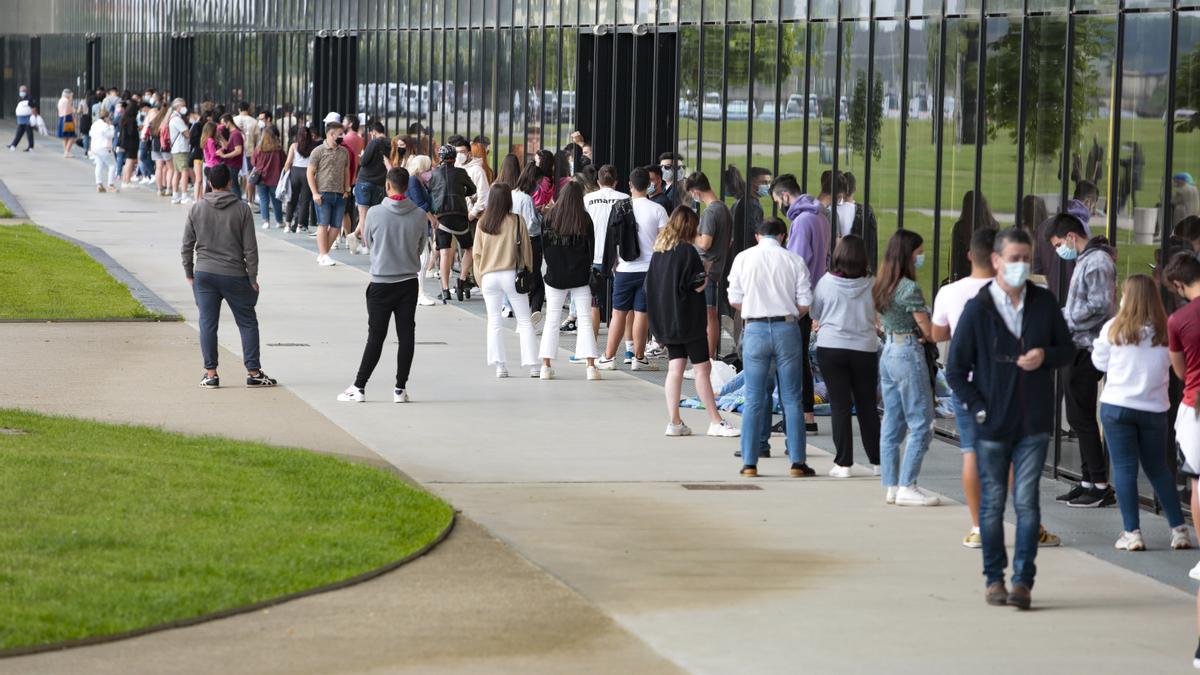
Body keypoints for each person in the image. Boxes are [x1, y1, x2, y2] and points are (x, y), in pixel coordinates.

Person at [946, 227, 1074, 610]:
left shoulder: (1043, 303)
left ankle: (1022, 581)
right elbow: (956, 370)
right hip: (993, 422)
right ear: (997, 260)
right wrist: (979, 408)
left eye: (1026, 258)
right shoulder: (979, 308)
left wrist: (1044, 356)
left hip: (1033, 420)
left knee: (1027, 502)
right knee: (992, 503)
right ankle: (993, 579)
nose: (1021, 265)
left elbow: (1066, 349)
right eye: (1013, 258)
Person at [1092, 275, 1192, 551]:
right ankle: (1179, 529)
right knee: (1159, 468)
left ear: (1128, 297)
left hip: (1117, 407)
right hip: (1154, 409)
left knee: (1124, 469)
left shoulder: (1113, 328)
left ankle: (1132, 533)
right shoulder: (1165, 330)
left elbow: (1098, 362)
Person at [727, 217, 815, 478]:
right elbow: (805, 302)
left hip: (754, 328)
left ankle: (749, 462)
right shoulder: (793, 260)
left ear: (757, 236)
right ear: (783, 236)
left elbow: (734, 299)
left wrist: (755, 310)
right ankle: (797, 461)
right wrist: (786, 315)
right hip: (787, 328)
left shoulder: (743, 258)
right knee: (792, 397)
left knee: (754, 397)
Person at [645, 205, 740, 437]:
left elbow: (650, 286)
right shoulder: (688, 252)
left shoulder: (659, 252)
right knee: (702, 369)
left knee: (675, 367)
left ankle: (675, 421)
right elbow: (697, 285)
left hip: (667, 321)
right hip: (689, 320)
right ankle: (715, 420)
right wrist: (706, 271)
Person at [180, 164, 277, 390]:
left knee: (207, 323)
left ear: (210, 183)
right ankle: (253, 372)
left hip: (204, 273)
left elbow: (186, 245)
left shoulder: (197, 209)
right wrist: (252, 277)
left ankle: (211, 373)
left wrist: (189, 272)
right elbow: (250, 248)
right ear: (230, 183)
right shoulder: (242, 209)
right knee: (247, 322)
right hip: (234, 274)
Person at [336, 167, 428, 404]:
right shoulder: (419, 215)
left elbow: (369, 241)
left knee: (376, 336)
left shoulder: (375, 213)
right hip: (408, 281)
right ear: (406, 187)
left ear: (388, 185)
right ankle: (400, 388)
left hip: (381, 282)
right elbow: (420, 247)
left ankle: (359, 386)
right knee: (406, 335)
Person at [1047, 212, 1117, 507]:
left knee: (1082, 417)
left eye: (1058, 244)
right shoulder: (1085, 260)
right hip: (1075, 345)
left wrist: (1064, 318)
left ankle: (1099, 484)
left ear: (1071, 237)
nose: (1057, 250)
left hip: (1085, 349)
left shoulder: (1097, 261)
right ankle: (1088, 479)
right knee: (1076, 415)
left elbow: (1099, 305)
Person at [873, 230, 940, 507]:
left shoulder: (883, 284)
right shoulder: (909, 288)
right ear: (909, 254)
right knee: (922, 422)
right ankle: (908, 485)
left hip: (888, 352)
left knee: (891, 422)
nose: (921, 257)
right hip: (908, 353)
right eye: (919, 252)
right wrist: (931, 332)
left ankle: (891, 485)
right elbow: (929, 329)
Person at [812, 235, 880, 477]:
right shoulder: (873, 283)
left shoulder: (826, 283)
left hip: (831, 348)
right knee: (867, 406)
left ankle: (843, 463)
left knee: (840, 406)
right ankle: (878, 461)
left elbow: (815, 312)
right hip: (864, 348)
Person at [772, 173, 829, 434]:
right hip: (815, 295)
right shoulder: (820, 216)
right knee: (801, 358)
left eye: (777, 200)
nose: (778, 207)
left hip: (800, 300)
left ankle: (801, 417)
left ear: (785, 196)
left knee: (793, 360)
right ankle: (806, 416)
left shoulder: (802, 221)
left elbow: (795, 263)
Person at [596, 167, 668, 372]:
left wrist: (609, 265)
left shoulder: (620, 207)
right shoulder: (658, 209)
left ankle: (608, 357)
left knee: (618, 313)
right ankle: (639, 357)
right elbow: (665, 242)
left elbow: (611, 241)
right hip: (649, 270)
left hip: (624, 269)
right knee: (641, 313)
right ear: (649, 185)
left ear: (629, 185)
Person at [537, 181, 600, 381]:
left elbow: (544, 247)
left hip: (555, 276)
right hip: (580, 276)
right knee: (585, 320)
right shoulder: (584, 219)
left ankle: (545, 366)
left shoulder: (548, 218)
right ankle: (591, 366)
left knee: (552, 320)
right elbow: (591, 250)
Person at [474, 183, 538, 378]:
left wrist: (480, 278)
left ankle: (500, 366)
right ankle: (533, 365)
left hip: (489, 277)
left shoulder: (483, 223)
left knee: (494, 321)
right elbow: (526, 252)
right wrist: (527, 272)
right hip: (512, 275)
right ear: (508, 200)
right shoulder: (517, 221)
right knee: (524, 321)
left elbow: (477, 255)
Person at [1164, 255, 1200, 584]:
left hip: (1195, 406)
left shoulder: (1178, 320)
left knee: (1197, 483)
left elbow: (1180, 371)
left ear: (1178, 284)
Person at [685, 172, 733, 360]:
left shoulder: (711, 212)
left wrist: (689, 234)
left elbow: (705, 243)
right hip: (715, 268)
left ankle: (706, 359)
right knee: (710, 314)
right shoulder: (723, 208)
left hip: (706, 270)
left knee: (707, 315)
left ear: (696, 191)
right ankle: (708, 358)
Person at [428, 143, 477, 302]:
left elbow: (430, 191)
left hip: (442, 216)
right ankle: (462, 280)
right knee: (469, 248)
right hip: (460, 215)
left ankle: (445, 289)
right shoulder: (461, 172)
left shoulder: (434, 174)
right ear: (455, 158)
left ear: (440, 158)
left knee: (444, 252)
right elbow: (472, 189)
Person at [584, 164, 629, 339]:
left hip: (595, 256)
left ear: (598, 181)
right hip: (620, 259)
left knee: (594, 304)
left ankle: (591, 348)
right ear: (616, 182)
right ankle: (629, 350)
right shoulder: (625, 198)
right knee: (624, 307)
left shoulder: (588, 198)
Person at [306, 121, 351, 266]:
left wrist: (347, 189)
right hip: (323, 193)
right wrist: (314, 193)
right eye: (340, 134)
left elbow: (346, 171)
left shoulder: (344, 152)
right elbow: (310, 173)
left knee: (336, 226)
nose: (342, 137)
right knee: (323, 224)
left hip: (340, 194)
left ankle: (323, 253)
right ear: (331, 134)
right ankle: (324, 254)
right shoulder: (318, 151)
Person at [404, 153, 440, 307]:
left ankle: (417, 292)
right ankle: (420, 293)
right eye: (428, 168)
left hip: (417, 222)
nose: (430, 171)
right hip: (416, 223)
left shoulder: (418, 181)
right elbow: (420, 203)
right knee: (423, 258)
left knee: (421, 258)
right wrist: (432, 219)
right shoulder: (414, 181)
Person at [511, 161, 545, 317]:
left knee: (522, 276)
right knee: (536, 278)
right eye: (539, 182)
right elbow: (532, 224)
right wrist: (541, 216)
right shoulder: (527, 199)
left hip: (515, 241)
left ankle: (524, 312)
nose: (539, 186)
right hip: (531, 242)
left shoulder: (512, 194)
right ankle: (535, 310)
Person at [353, 121, 391, 253]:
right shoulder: (390, 143)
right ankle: (371, 241)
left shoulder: (374, 142)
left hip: (365, 181)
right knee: (373, 214)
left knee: (363, 215)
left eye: (370, 133)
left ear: (374, 132)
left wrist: (361, 156)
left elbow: (363, 161)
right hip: (379, 183)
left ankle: (365, 244)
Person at [949, 190, 999, 282]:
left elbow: (954, 256)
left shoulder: (960, 227)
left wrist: (952, 277)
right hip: (988, 273)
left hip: (964, 275)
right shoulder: (994, 225)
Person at [251, 126, 286, 230]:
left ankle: (266, 221)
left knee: (263, 200)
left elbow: (253, 162)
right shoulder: (278, 150)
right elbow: (284, 162)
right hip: (274, 179)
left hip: (261, 178)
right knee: (276, 200)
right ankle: (279, 221)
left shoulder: (259, 149)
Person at [283, 124, 317, 233]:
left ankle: (287, 225)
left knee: (291, 199)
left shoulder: (294, 146)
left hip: (295, 172)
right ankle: (300, 225)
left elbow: (288, 162)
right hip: (308, 173)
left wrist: (286, 173)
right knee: (304, 201)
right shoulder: (314, 148)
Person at [167, 98, 193, 205]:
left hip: (176, 149)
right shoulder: (177, 119)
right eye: (183, 105)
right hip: (181, 149)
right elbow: (187, 133)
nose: (184, 108)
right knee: (184, 172)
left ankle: (175, 195)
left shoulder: (173, 118)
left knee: (177, 172)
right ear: (177, 107)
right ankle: (184, 196)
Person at [215, 113, 246, 200]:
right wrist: (220, 138)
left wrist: (224, 156)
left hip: (233, 164)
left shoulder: (236, 134)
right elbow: (229, 146)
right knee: (233, 185)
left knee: (234, 186)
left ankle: (238, 205)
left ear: (228, 122)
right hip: (231, 164)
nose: (222, 125)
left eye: (223, 123)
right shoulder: (233, 133)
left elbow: (238, 150)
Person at [233, 102, 259, 200]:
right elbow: (256, 138)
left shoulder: (234, 119)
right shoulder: (254, 121)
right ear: (248, 109)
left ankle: (236, 195)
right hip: (249, 150)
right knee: (249, 174)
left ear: (239, 109)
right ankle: (249, 199)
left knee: (234, 174)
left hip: (235, 150)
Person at [87, 108, 118, 193]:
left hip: (95, 148)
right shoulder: (105, 125)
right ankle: (111, 185)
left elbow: (90, 134)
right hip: (104, 147)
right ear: (106, 118)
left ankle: (99, 184)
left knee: (99, 165)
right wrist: (111, 126)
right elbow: (110, 135)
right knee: (112, 165)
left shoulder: (94, 124)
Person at [119, 102, 141, 186]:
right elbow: (131, 132)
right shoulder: (132, 120)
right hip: (132, 143)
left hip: (125, 143)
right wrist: (137, 129)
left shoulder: (124, 117)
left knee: (127, 161)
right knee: (130, 161)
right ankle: (127, 181)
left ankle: (125, 179)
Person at [8, 85, 34, 151]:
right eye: (20, 91)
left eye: (22, 91)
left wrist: (33, 116)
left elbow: (33, 107)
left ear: (25, 91)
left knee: (29, 133)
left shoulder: (29, 98)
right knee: (19, 133)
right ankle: (13, 145)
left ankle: (30, 147)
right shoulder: (21, 98)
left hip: (27, 119)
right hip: (21, 119)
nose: (21, 92)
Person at [57, 89, 78, 157]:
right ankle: (67, 151)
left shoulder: (60, 100)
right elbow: (71, 110)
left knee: (65, 137)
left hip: (61, 118)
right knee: (71, 136)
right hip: (67, 118)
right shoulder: (67, 101)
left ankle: (65, 151)